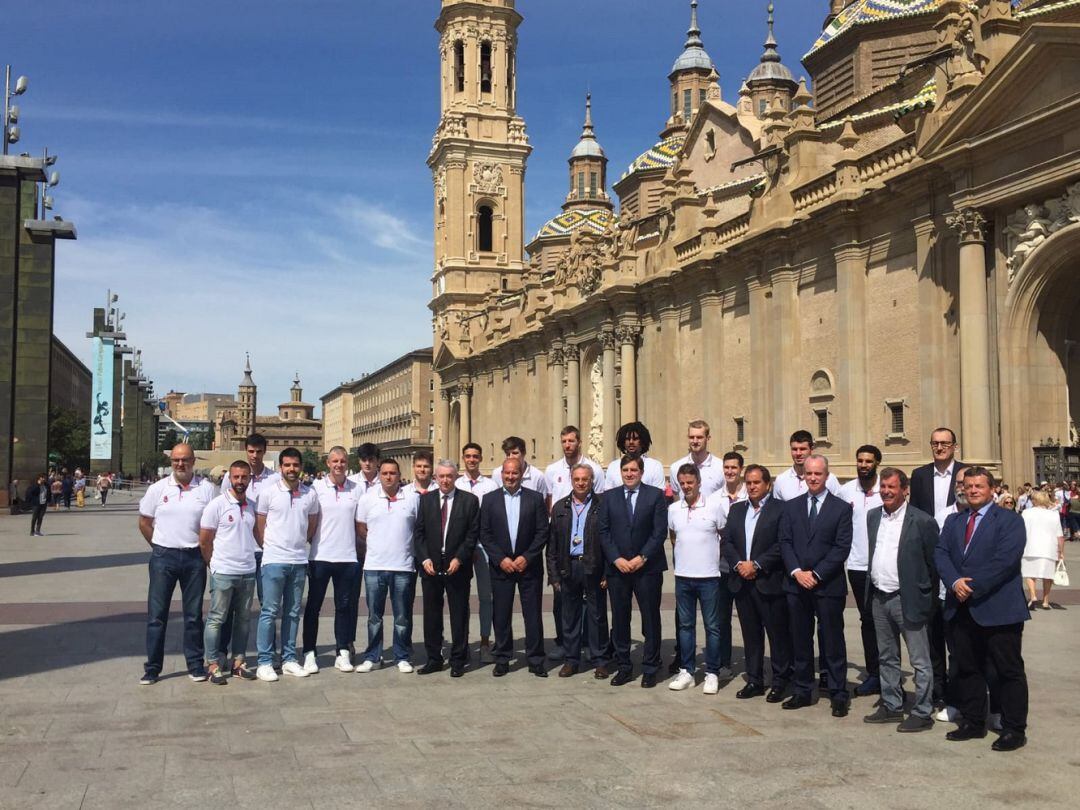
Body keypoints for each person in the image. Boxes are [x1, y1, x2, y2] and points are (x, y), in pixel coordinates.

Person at [936, 466, 1030, 751]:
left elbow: (1005, 561)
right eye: (969, 486)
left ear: (992, 489)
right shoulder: (954, 521)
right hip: (960, 608)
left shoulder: (1009, 521)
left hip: (998, 608)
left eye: (979, 486)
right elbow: (940, 553)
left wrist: (970, 586)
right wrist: (953, 582)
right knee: (968, 668)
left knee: (1007, 671)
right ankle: (973, 721)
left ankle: (1014, 728)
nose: (973, 490)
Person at [861, 468, 939, 732]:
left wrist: (925, 598)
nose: (886, 492)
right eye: (883, 487)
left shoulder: (923, 521)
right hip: (879, 597)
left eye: (892, 487)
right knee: (887, 656)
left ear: (905, 490)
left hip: (908, 599)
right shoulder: (873, 517)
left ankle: (923, 710)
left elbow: (933, 565)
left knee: (919, 660)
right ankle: (892, 704)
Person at [779, 454, 853, 717]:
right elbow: (785, 542)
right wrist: (797, 572)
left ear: (827, 476)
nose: (812, 478)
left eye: (818, 474)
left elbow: (841, 547)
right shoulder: (791, 507)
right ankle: (802, 690)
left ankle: (838, 692)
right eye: (808, 474)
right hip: (797, 585)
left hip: (828, 586)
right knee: (800, 640)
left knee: (832, 641)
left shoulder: (841, 508)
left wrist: (818, 574)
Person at [137, 443, 216, 685]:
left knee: (193, 615)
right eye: (176, 461)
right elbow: (144, 522)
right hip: (164, 557)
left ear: (194, 461)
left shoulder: (207, 490)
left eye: (185, 460)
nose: (180, 464)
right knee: (157, 616)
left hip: (194, 558)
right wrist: (159, 545)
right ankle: (152, 667)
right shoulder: (158, 489)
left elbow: (215, 523)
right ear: (171, 462)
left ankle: (194, 664)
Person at [723, 464, 791, 702]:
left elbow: (782, 544)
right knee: (751, 635)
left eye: (756, 483)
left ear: (767, 484)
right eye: (748, 483)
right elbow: (727, 542)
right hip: (742, 582)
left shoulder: (780, 510)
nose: (752, 487)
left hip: (769, 582)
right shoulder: (737, 510)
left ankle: (781, 681)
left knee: (777, 635)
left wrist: (757, 565)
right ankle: (755, 680)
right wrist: (740, 565)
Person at [599, 454, 668, 687]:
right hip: (618, 569)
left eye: (634, 470)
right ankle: (624, 666)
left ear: (641, 472)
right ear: (620, 472)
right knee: (620, 618)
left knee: (650, 617)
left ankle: (650, 667)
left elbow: (659, 532)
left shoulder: (655, 496)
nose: (629, 474)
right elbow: (604, 532)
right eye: (625, 470)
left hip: (647, 568)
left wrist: (643, 557)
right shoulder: (609, 497)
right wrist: (616, 558)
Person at [254, 447, 320, 682]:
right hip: (274, 560)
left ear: (301, 467)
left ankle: (290, 658)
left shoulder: (309, 495)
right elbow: (259, 525)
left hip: (298, 560)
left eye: (295, 465)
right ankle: (264, 660)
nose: (292, 469)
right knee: (269, 611)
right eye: (287, 465)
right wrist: (270, 547)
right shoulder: (268, 493)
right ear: (280, 467)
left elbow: (311, 525)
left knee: (292, 612)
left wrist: (299, 545)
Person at [480, 457, 550, 677]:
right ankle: (502, 657)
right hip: (501, 567)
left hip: (528, 567)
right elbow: (485, 533)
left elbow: (542, 532)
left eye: (515, 473)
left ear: (521, 474)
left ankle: (536, 659)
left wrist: (527, 557)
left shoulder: (535, 498)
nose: (510, 477)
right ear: (501, 474)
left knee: (532, 614)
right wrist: (500, 559)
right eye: (507, 473)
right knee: (501, 614)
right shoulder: (489, 500)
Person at [667, 464, 729, 695]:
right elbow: (673, 537)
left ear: (699, 482)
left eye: (690, 482)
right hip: (683, 577)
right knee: (685, 626)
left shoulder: (714, 508)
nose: (686, 487)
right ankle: (687, 671)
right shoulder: (673, 509)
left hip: (709, 577)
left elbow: (724, 536)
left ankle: (712, 672)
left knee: (712, 626)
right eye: (682, 483)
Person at [415, 460, 480, 677]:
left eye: (449, 476)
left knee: (459, 614)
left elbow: (472, 534)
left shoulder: (469, 501)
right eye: (441, 476)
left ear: (456, 477)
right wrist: (424, 559)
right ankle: (434, 658)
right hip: (431, 566)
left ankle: (458, 659)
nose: (445, 480)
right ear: (435, 477)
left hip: (457, 566)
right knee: (431, 614)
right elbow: (419, 533)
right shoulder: (425, 501)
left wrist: (460, 558)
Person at [301, 446, 363, 674]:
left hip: (347, 557)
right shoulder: (315, 488)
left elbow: (361, 522)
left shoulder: (356, 489)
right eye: (335, 461)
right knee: (313, 606)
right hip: (320, 556)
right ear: (327, 463)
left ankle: (342, 651)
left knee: (344, 606)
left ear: (348, 464)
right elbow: (308, 519)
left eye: (343, 461)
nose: (339, 465)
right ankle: (309, 652)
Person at [547, 463, 610, 678]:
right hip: (569, 566)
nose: (581, 483)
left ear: (592, 480)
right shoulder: (559, 508)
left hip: (593, 565)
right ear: (571, 481)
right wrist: (553, 575)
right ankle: (571, 660)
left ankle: (600, 660)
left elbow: (609, 542)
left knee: (597, 615)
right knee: (569, 616)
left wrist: (606, 573)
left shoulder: (602, 505)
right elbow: (552, 545)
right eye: (577, 479)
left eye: (585, 479)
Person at [355, 458, 419, 674]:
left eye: (393, 473)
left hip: (403, 566)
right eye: (384, 473)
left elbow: (418, 529)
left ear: (399, 475)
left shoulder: (412, 499)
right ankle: (373, 656)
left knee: (402, 616)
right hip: (374, 565)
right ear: (379, 475)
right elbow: (361, 528)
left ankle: (401, 655)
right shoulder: (367, 499)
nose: (389, 477)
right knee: (374, 616)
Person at [199, 460, 259, 684]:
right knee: (216, 619)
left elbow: (257, 536)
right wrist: (213, 565)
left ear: (250, 479)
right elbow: (205, 541)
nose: (240, 481)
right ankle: (213, 663)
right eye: (236, 477)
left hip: (247, 571)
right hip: (224, 570)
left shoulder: (252, 506)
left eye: (244, 477)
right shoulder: (217, 505)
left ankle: (238, 662)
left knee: (243, 620)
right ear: (230, 479)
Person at [836, 445, 883, 698]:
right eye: (860, 461)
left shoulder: (885, 490)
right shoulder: (846, 491)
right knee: (868, 620)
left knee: (888, 621)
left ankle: (890, 671)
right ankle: (874, 673)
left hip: (884, 565)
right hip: (856, 565)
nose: (863, 464)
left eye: (868, 461)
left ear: (877, 463)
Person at [456, 442, 498, 663]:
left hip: (483, 546)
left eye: (475, 456)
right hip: (461, 547)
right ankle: (461, 642)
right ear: (463, 459)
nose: (471, 460)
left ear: (480, 459)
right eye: (468, 456)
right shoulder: (455, 484)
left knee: (486, 597)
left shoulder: (490, 486)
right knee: (460, 597)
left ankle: (484, 641)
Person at [1021, 489, 1065, 611]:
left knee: (1030, 574)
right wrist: (1061, 552)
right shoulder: (1053, 515)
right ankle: (1045, 601)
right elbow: (1060, 535)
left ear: (1034, 500)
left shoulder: (1026, 513)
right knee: (1048, 575)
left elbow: (1021, 530)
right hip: (1049, 548)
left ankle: (1033, 595)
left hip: (1030, 546)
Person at [772, 430, 840, 502]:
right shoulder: (781, 480)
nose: (798, 453)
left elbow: (838, 506)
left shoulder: (829, 479)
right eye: (794, 449)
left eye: (802, 449)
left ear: (811, 449)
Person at [544, 425, 605, 505]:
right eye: (564, 441)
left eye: (571, 441)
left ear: (579, 443)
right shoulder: (551, 470)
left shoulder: (595, 470)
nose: (567, 445)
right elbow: (549, 499)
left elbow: (599, 499)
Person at [669, 420, 725, 499]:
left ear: (708, 438)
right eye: (691, 437)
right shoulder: (675, 468)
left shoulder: (721, 467)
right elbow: (676, 498)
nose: (695, 441)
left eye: (699, 437)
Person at [604, 422, 666, 490]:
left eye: (635, 439)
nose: (631, 442)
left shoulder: (654, 466)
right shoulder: (613, 466)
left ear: (642, 441)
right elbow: (608, 495)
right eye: (627, 439)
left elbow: (659, 495)